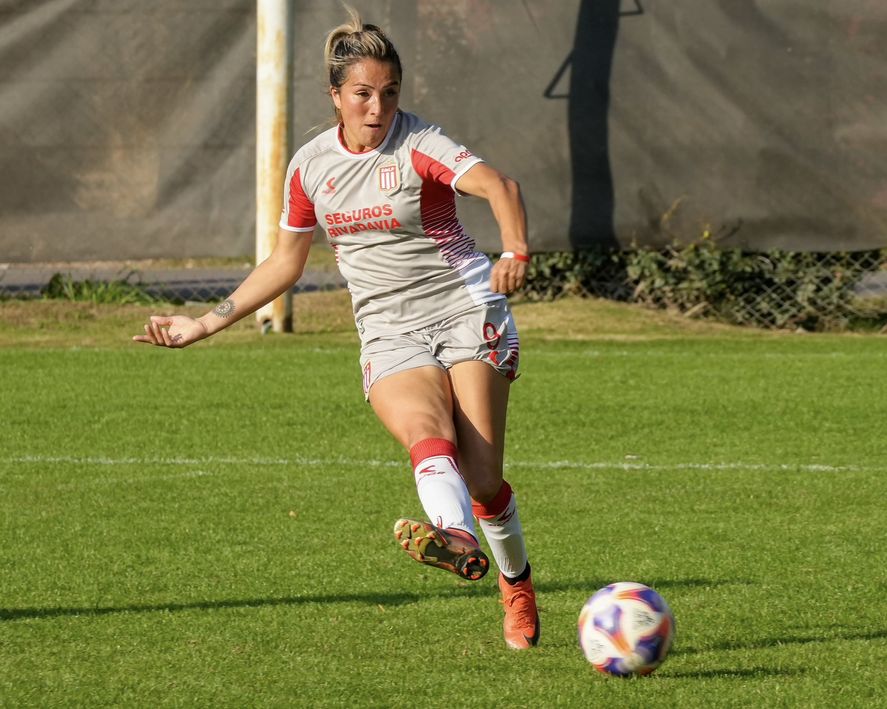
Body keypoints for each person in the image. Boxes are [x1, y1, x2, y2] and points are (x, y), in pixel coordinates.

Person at [133, 6, 539, 650]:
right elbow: (284, 262)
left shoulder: (419, 144)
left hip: (466, 310)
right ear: (336, 96)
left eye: (390, 93)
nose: (378, 108)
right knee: (425, 434)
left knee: (485, 478)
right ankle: (457, 539)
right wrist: (204, 323)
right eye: (363, 94)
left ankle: (516, 582)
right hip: (387, 330)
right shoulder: (310, 167)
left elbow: (499, 184)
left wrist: (514, 250)